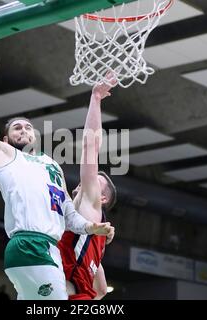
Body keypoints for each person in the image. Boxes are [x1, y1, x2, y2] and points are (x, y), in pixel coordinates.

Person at [0, 78, 115, 300]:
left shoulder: (52, 166)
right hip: (29, 244)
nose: (24, 130)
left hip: (50, 253)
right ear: (6, 139)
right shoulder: (5, 157)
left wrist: (91, 227)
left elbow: (69, 214)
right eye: (17, 128)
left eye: (28, 127)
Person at [58, 74, 117, 300]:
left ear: (101, 198)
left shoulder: (90, 204)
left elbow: (90, 146)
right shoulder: (98, 242)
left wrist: (96, 98)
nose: (88, 180)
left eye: (95, 181)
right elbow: (101, 291)